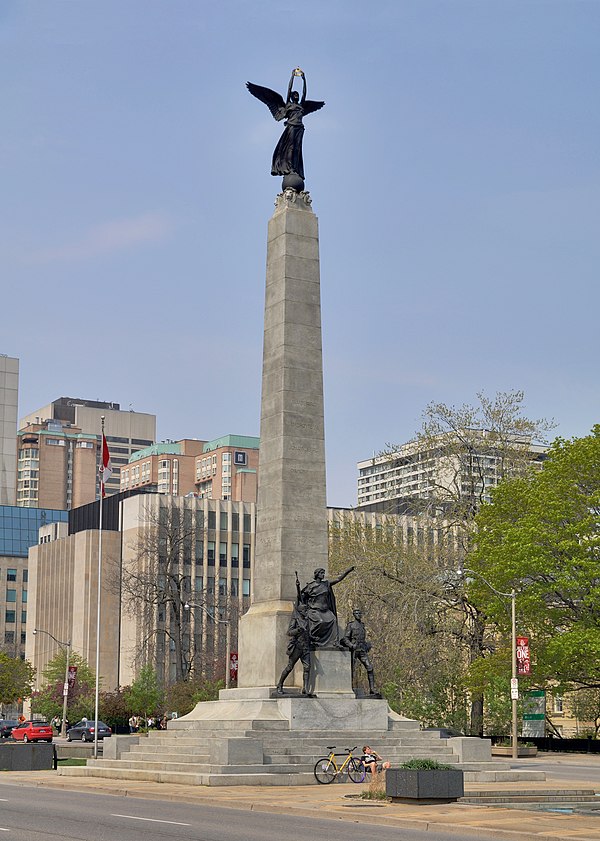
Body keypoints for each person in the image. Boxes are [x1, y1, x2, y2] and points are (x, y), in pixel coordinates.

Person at [300, 566, 355, 648]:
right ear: (317, 574)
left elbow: (338, 579)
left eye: (323, 573)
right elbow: (301, 597)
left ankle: (335, 642)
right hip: (315, 610)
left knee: (333, 619)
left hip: (325, 610)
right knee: (320, 621)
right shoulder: (310, 586)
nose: (323, 575)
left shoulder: (326, 584)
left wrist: (348, 570)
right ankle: (312, 637)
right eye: (321, 573)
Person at [276, 602, 314, 697]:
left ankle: (305, 688)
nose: (306, 612)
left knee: (307, 668)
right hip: (297, 647)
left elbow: (310, 633)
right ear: (301, 611)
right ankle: (280, 684)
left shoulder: (308, 621)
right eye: (305, 610)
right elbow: (289, 632)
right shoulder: (296, 620)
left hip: (306, 648)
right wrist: (298, 630)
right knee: (289, 667)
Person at [340, 608, 378, 695]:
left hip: (362, 650)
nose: (358, 614)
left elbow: (363, 638)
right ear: (354, 614)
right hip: (354, 649)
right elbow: (345, 638)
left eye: (359, 613)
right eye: (356, 613)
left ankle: (372, 688)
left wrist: (367, 645)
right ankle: (349, 688)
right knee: (351, 669)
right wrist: (351, 645)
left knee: (370, 668)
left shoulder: (362, 625)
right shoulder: (351, 625)